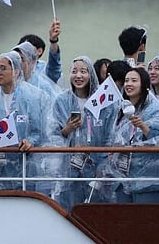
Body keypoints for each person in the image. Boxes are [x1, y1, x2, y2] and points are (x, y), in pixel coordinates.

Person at [0, 51, 50, 191]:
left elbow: (39, 131)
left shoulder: (33, 97)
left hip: (22, 165)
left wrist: (29, 142)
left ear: (16, 71)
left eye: (3, 68)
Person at [52, 56, 116, 208]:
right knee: (68, 211)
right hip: (68, 168)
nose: (78, 76)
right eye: (74, 71)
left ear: (91, 75)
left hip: (96, 168)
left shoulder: (103, 102)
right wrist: (67, 129)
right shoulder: (61, 101)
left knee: (94, 212)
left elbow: (110, 137)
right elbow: (52, 136)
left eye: (83, 71)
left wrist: (102, 166)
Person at [101, 66, 159, 203]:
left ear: (144, 84)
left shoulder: (154, 109)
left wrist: (143, 126)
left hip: (146, 179)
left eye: (134, 80)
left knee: (144, 219)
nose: (129, 84)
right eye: (126, 80)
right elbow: (111, 136)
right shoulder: (120, 109)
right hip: (121, 176)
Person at [0, 13, 62, 84]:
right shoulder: (9, 71)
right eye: (16, 56)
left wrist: (53, 41)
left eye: (22, 57)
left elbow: (54, 65)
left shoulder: (45, 72)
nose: (18, 60)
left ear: (38, 52)